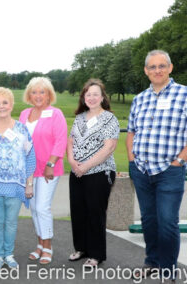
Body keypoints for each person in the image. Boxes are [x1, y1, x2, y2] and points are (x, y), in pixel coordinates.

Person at [127, 50, 187, 282]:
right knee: (149, 221)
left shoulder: (183, 94)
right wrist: (132, 159)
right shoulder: (140, 98)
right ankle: (151, 261)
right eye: (152, 67)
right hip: (141, 170)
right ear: (146, 71)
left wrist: (179, 161)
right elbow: (131, 131)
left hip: (169, 171)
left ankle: (168, 269)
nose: (157, 70)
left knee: (167, 222)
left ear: (170, 68)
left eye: (162, 66)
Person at [0, 87, 36, 270]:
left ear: (11, 105)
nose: (1, 106)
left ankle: (9, 254)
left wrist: (29, 184)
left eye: (5, 102)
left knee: (10, 223)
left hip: (16, 187)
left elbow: (30, 157)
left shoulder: (21, 129)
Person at [67, 78, 119, 267]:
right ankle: (81, 248)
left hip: (98, 172)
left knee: (95, 213)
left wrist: (86, 166)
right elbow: (70, 141)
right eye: (88, 94)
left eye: (95, 94)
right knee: (78, 211)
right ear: (83, 98)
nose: (91, 97)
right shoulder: (80, 117)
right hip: (77, 172)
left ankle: (96, 255)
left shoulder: (109, 119)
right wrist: (72, 161)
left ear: (103, 97)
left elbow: (109, 148)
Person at [19, 77, 67, 265]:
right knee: (33, 209)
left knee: (42, 207)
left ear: (49, 95)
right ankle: (39, 244)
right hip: (29, 170)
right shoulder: (24, 114)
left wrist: (51, 163)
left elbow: (61, 140)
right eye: (34, 92)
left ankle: (48, 246)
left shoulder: (55, 114)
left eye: (42, 92)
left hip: (48, 168)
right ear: (29, 95)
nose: (38, 96)